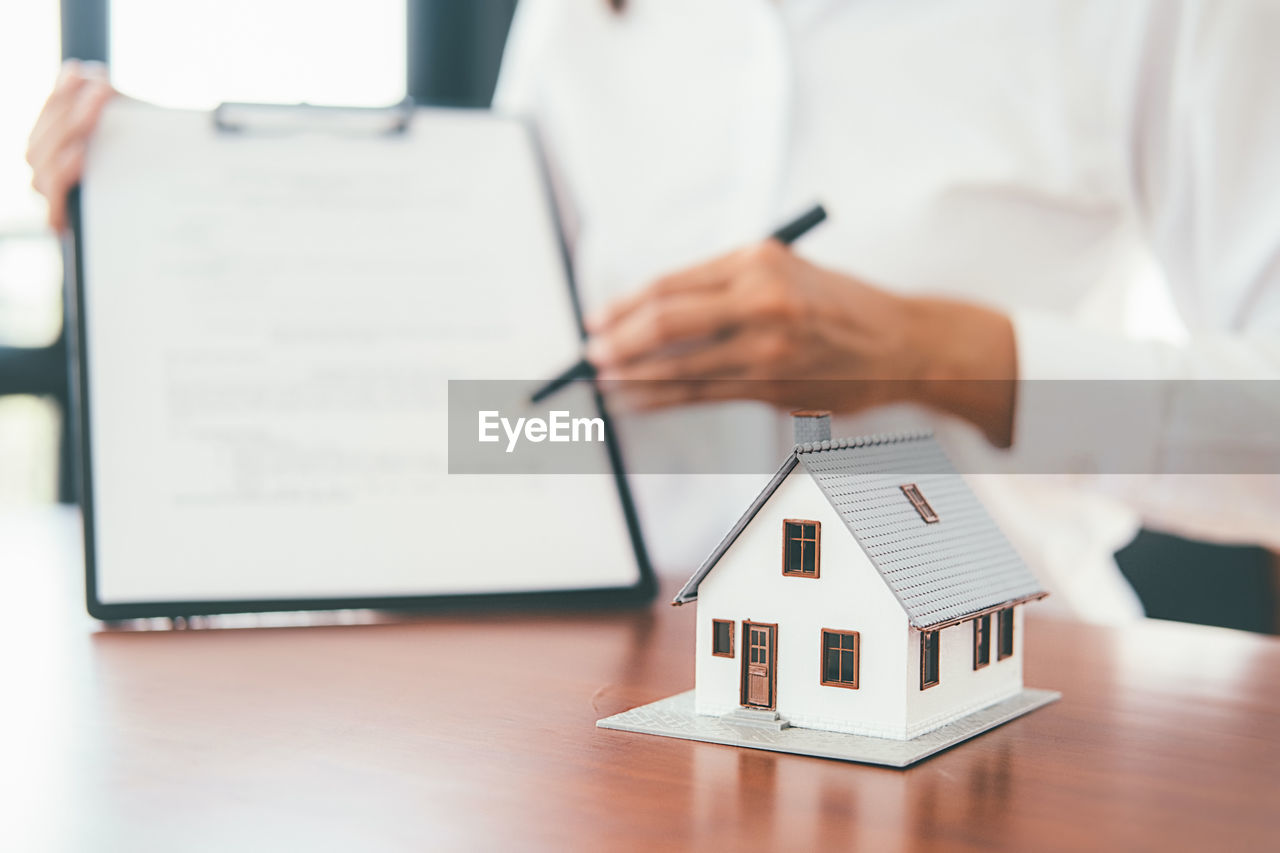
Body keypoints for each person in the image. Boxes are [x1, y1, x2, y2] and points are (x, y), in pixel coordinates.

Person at [29, 0, 1280, 621]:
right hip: (595, 709)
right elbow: (517, 423)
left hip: (1010, 695)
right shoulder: (590, 15)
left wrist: (932, 354)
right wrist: (178, 223)